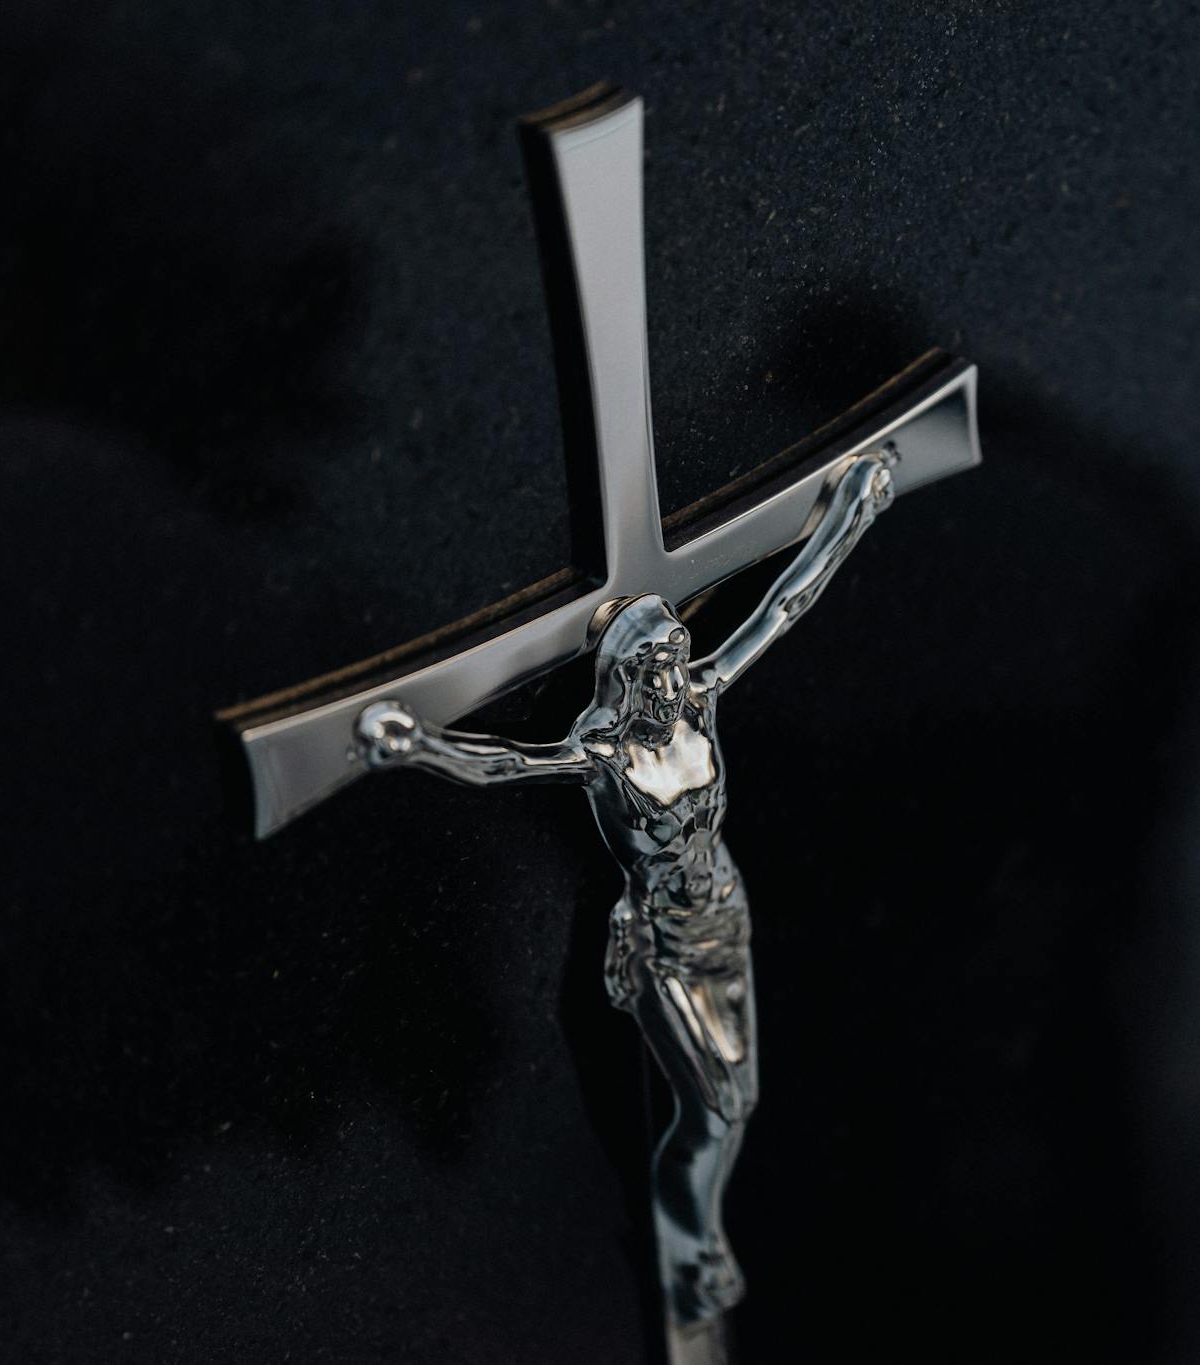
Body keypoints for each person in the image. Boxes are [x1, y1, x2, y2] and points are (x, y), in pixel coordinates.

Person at [352, 451, 895, 1324]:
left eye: (676, 658)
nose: (673, 675)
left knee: (742, 1098)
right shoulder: (603, 753)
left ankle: (697, 1241)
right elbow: (504, 767)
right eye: (657, 667)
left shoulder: (701, 702)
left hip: (725, 911)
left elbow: (782, 607)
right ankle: (696, 1242)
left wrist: (853, 514)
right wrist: (417, 745)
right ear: (627, 674)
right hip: (658, 937)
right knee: (713, 1102)